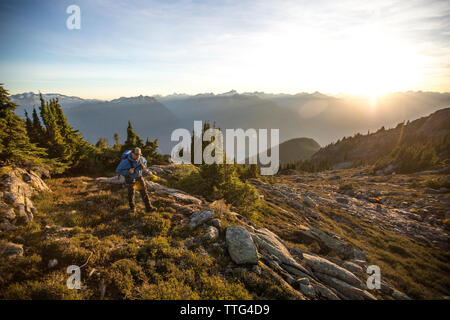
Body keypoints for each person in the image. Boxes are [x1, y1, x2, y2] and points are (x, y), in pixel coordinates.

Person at [116, 147, 155, 213]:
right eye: (136, 155)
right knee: (131, 193)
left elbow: (145, 162)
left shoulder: (141, 159)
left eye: (139, 155)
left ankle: (149, 208)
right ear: (132, 154)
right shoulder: (126, 162)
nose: (138, 156)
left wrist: (144, 166)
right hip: (130, 178)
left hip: (139, 177)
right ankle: (132, 208)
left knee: (144, 192)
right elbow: (118, 170)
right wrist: (128, 171)